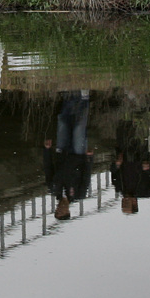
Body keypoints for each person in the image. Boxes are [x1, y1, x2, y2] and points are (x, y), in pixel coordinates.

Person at [44, 91, 94, 220]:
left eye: (57, 211)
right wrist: (89, 159)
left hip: (62, 153)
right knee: (79, 127)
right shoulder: (79, 193)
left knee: (63, 122)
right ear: (68, 211)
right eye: (62, 212)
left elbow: (48, 169)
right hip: (78, 155)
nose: (60, 209)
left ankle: (68, 96)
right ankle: (83, 97)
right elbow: (86, 175)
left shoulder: (54, 189)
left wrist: (47, 151)